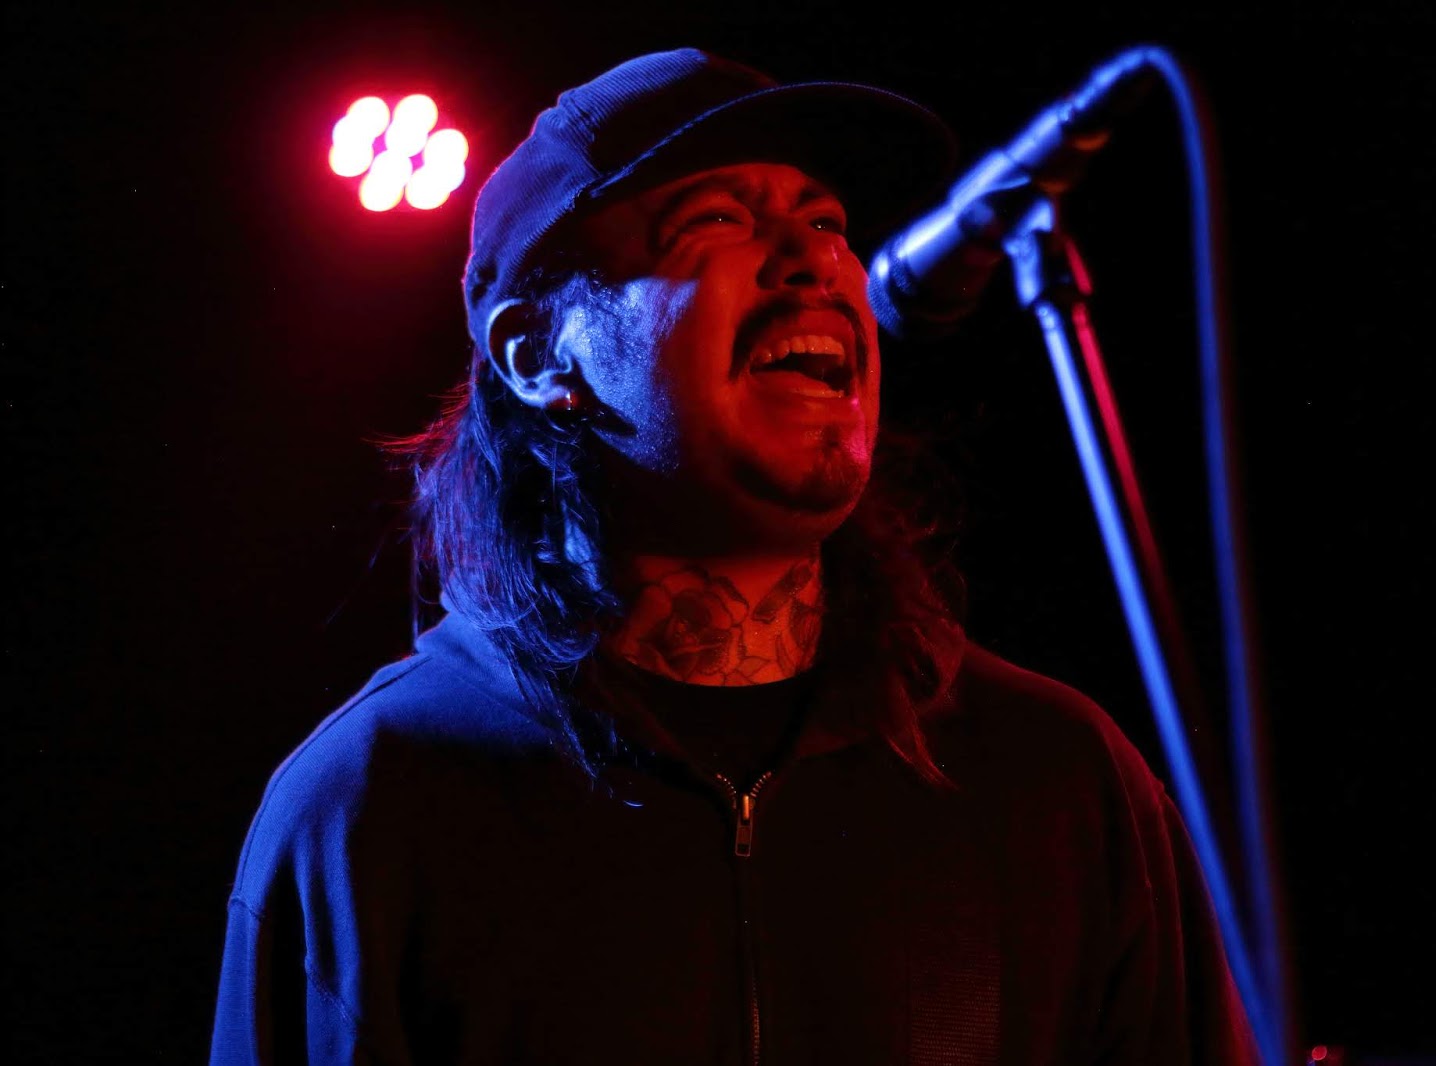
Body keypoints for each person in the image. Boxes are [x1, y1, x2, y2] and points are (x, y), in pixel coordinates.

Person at [208, 47, 1260, 1065]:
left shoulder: (1056, 780)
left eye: (827, 222)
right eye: (715, 221)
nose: (815, 260)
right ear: (538, 355)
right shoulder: (377, 804)